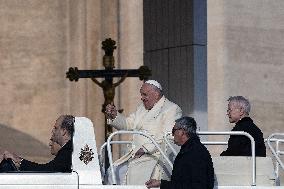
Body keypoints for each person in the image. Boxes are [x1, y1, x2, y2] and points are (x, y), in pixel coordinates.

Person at [105, 80, 182, 184]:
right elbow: (128, 124)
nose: (142, 98)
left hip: (154, 156)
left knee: (124, 176)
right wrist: (115, 116)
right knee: (112, 172)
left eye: (145, 95)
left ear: (156, 94)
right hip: (134, 155)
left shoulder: (172, 109)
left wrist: (146, 148)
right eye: (141, 94)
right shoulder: (141, 108)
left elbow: (168, 136)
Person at [145, 116, 215, 189]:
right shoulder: (190, 150)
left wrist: (164, 184)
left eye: (173, 130)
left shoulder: (195, 153)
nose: (172, 134)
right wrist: (161, 183)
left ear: (182, 132)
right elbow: (182, 183)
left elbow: (198, 186)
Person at [1, 115, 74, 172]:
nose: (53, 131)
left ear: (64, 131)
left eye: (56, 128)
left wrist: (19, 161)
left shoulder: (68, 150)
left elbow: (48, 171)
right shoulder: (68, 148)